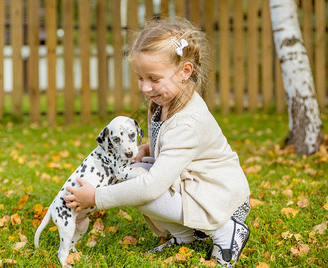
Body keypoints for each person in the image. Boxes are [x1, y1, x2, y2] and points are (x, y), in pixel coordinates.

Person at [64, 18, 251, 267]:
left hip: (217, 193)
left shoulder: (188, 121)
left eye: (153, 78)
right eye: (140, 78)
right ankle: (186, 236)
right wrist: (148, 148)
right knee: (132, 171)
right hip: (194, 181)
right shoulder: (165, 101)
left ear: (185, 71)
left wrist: (96, 197)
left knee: (137, 181)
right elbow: (171, 141)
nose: (144, 87)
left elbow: (151, 187)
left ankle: (227, 231)